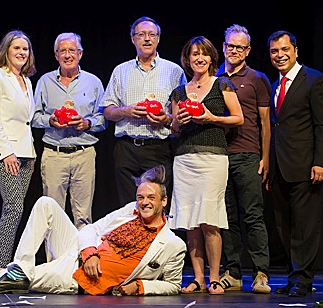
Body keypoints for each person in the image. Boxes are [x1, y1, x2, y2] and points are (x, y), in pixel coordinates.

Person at [0, 165, 187, 296]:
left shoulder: (173, 244)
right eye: (140, 196)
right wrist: (90, 252)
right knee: (46, 203)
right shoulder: (128, 210)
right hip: (77, 252)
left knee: (0, 280)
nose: (143, 202)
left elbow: (173, 285)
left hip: (78, 277)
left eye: (150, 198)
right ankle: (20, 268)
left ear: (164, 201)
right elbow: (90, 230)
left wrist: (141, 287)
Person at [168, 36, 244, 295]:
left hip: (213, 159)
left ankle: (214, 277)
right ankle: (198, 277)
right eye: (194, 54)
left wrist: (211, 117)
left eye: (204, 54)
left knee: (210, 220)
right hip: (185, 159)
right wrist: (176, 121)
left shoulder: (222, 84)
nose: (199, 58)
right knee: (190, 222)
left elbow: (238, 118)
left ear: (212, 58)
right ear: (187, 60)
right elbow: (175, 130)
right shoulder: (179, 92)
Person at [266, 30, 323, 297]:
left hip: (306, 166)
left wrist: (321, 162)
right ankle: (294, 278)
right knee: (285, 225)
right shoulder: (275, 85)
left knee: (305, 226)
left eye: (284, 50)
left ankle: (305, 279)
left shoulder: (315, 81)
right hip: (280, 167)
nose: (279, 55)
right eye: (274, 51)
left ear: (295, 51)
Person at [100, 16, 187, 207]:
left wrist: (166, 118)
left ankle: (157, 238)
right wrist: (126, 111)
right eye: (141, 35)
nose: (147, 39)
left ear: (158, 39)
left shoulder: (174, 71)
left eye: (151, 35)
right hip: (126, 148)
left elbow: (183, 114)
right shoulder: (120, 71)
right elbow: (107, 110)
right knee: (128, 206)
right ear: (133, 39)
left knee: (157, 205)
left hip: (158, 147)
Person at [216, 24, 272, 294]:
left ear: (248, 50)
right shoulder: (213, 77)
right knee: (225, 218)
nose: (234, 50)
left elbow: (265, 122)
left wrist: (265, 158)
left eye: (240, 47)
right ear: (223, 46)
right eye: (230, 46)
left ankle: (261, 272)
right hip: (217, 157)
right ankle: (233, 272)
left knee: (252, 215)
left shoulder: (257, 78)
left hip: (247, 154)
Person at [32, 32, 106, 229]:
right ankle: (54, 260)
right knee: (52, 215)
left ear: (80, 54)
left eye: (71, 50)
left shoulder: (93, 82)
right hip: (54, 154)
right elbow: (33, 116)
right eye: (62, 51)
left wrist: (87, 123)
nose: (67, 55)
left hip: (84, 154)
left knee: (83, 216)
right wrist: (50, 120)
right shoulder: (45, 81)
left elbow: (103, 118)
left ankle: (81, 259)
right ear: (56, 55)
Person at [0, 30, 37, 271]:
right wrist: (6, 152)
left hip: (28, 154)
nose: (21, 53)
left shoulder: (27, 81)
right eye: (16, 48)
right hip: (6, 153)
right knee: (13, 207)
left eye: (25, 49)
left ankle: (10, 263)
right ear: (6, 50)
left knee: (17, 209)